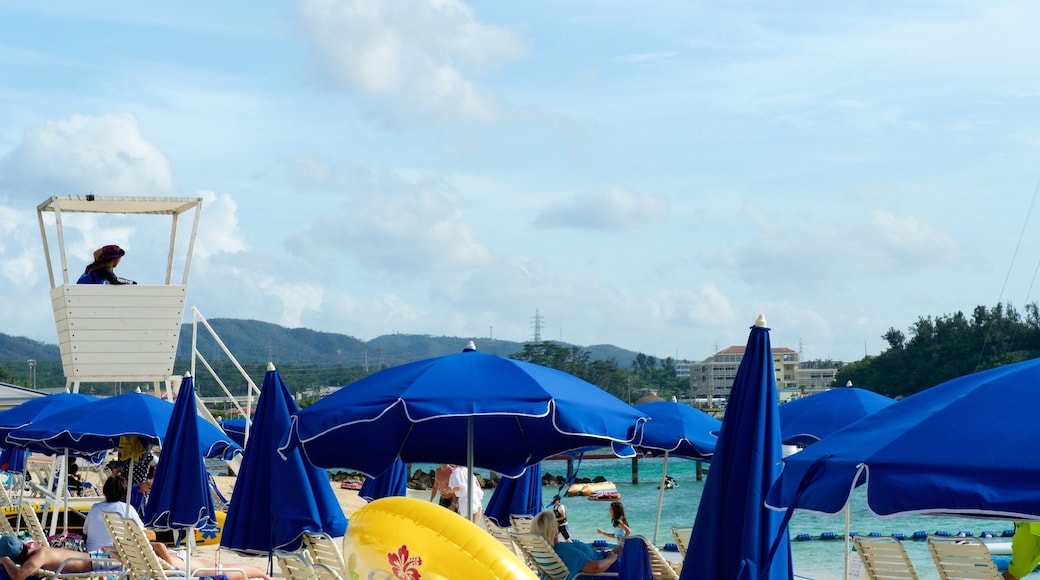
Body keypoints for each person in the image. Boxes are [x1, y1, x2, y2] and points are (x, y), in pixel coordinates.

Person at [531, 510, 620, 578]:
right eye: (555, 524)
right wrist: (611, 559)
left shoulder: (542, 552)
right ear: (553, 530)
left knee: (624, 548)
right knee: (631, 554)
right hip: (605, 570)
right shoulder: (564, 550)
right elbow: (595, 567)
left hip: (601, 557)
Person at [83, 474, 145, 552]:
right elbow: (141, 531)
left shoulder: (95, 507)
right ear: (124, 492)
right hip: (113, 557)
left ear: (105, 490)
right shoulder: (126, 508)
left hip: (90, 555)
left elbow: (85, 531)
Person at [149, 541, 271, 580]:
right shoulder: (154, 560)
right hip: (191, 567)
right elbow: (159, 545)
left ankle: (262, 574)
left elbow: (159, 546)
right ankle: (263, 574)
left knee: (223, 568)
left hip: (189, 566)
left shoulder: (145, 560)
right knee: (223, 568)